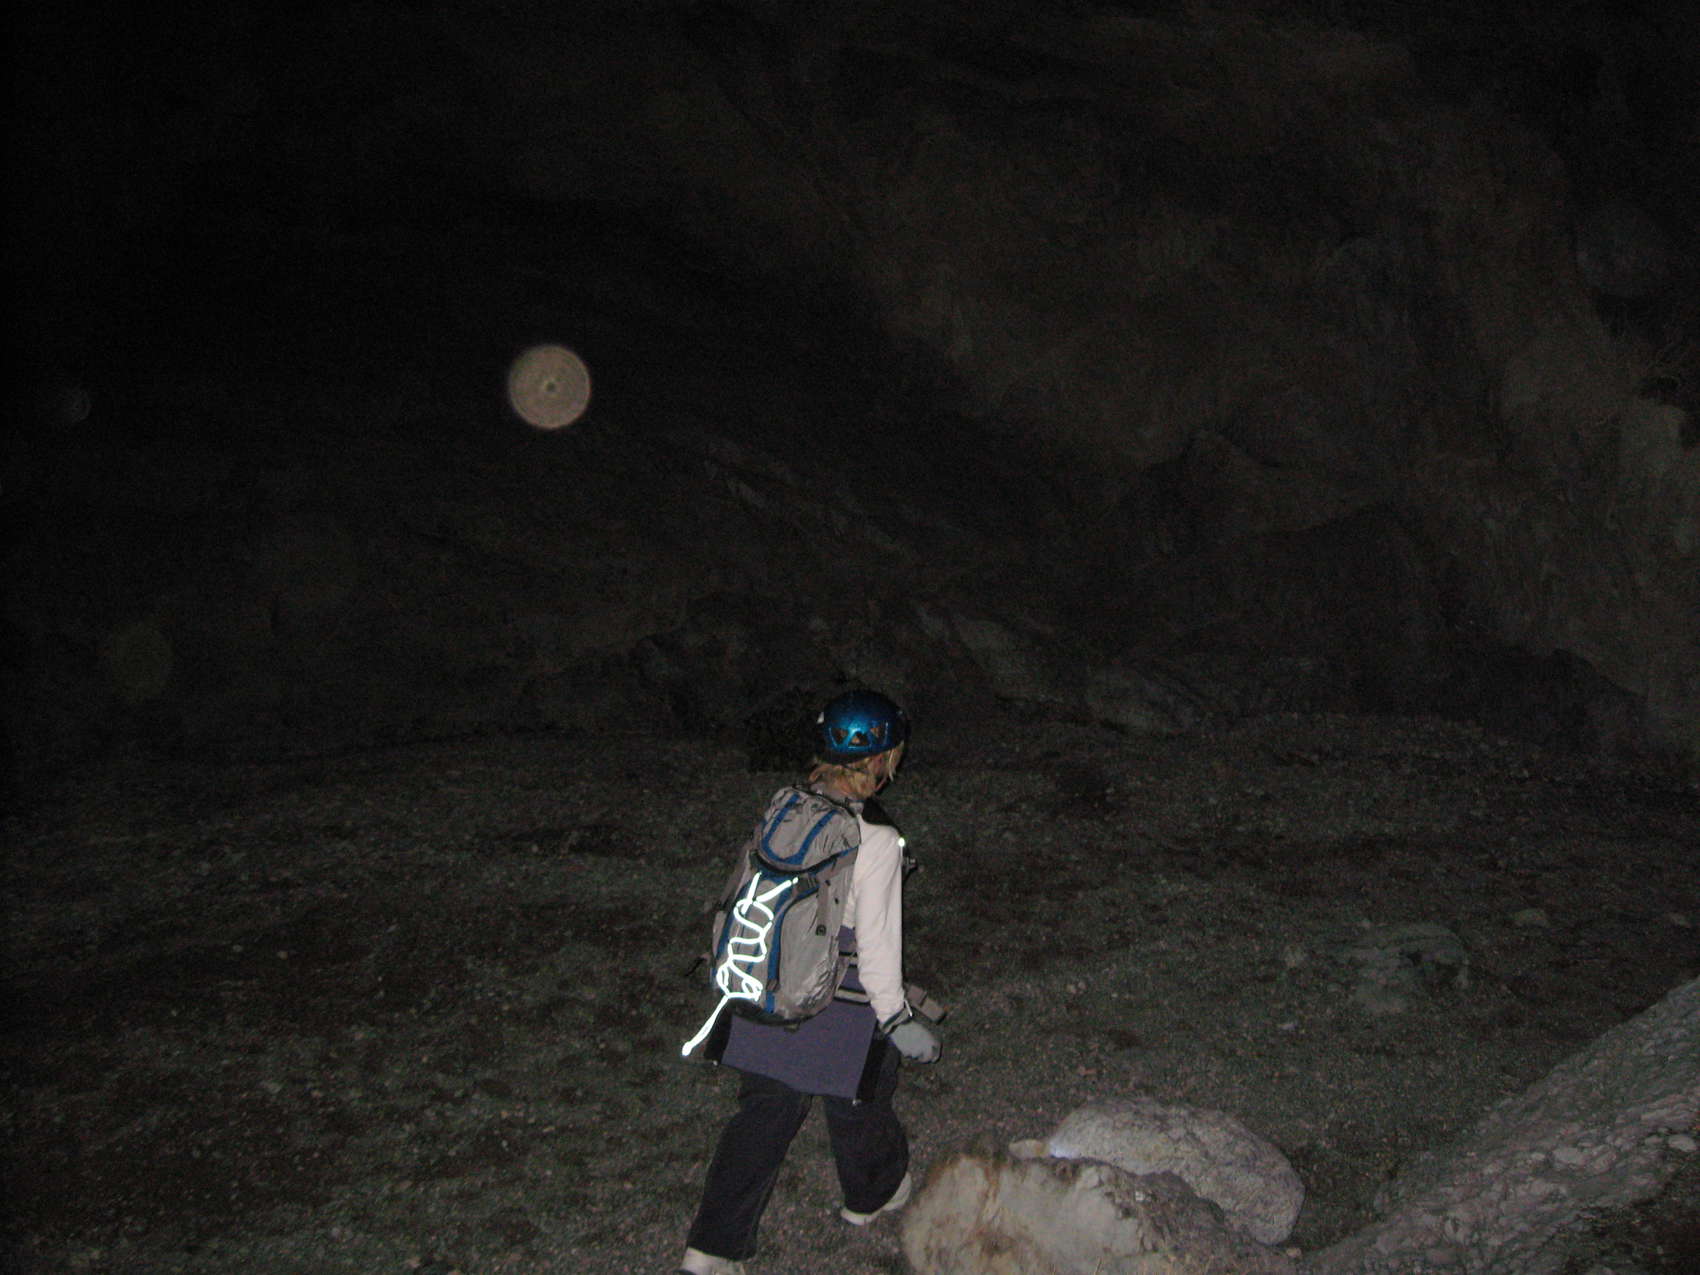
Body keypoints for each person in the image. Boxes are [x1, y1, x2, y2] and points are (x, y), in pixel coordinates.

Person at [678, 689, 942, 1275]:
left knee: (763, 1112)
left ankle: (711, 1249)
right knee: (859, 1091)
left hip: (769, 982)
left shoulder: (784, 806)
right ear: (883, 758)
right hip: (835, 996)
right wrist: (897, 1019)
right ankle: (871, 1195)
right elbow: (877, 946)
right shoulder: (875, 837)